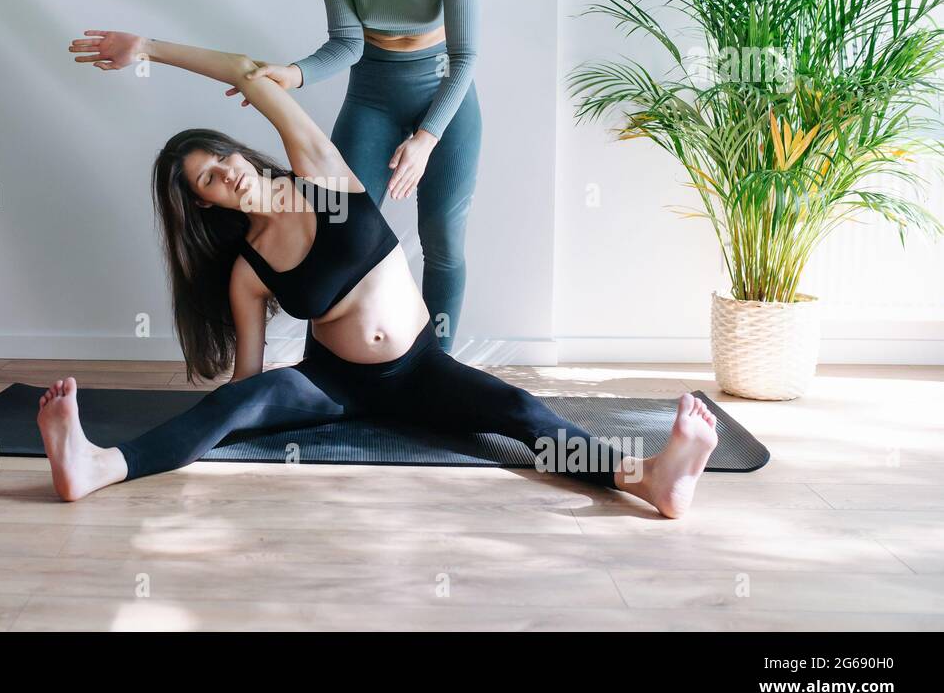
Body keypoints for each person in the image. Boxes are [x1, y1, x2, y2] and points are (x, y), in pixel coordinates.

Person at [49, 31, 719, 518]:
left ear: (240, 155)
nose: (223, 173)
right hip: (334, 386)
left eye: (220, 158)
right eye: (206, 181)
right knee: (229, 404)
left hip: (419, 371)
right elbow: (248, 379)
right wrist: (233, 416)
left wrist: (150, 49)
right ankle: (97, 465)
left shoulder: (326, 182)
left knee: (518, 412)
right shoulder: (248, 269)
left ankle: (648, 478)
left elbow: (251, 71)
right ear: (205, 202)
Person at [227, 0, 481, 353]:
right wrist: (290, 74)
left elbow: (465, 58)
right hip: (373, 94)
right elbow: (347, 43)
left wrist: (426, 139)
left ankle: (438, 365)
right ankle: (323, 365)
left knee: (442, 238)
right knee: (335, 227)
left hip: (444, 96)